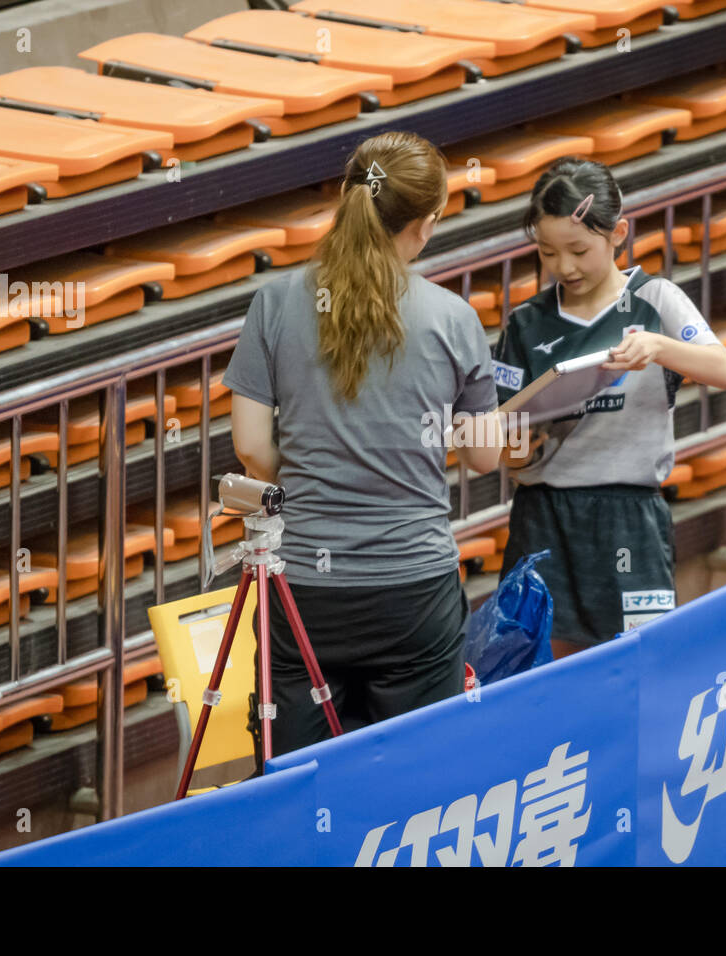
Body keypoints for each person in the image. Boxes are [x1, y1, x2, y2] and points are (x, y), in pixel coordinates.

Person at [222, 131, 504, 761]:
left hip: (304, 594)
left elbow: (252, 450)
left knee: (298, 779)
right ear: (427, 225)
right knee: (415, 779)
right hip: (414, 590)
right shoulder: (454, 317)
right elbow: (485, 456)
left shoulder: (274, 304)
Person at [493, 157, 726, 659]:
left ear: (618, 234)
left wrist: (659, 347)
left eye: (579, 250)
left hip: (630, 515)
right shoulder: (525, 323)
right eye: (548, 253)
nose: (565, 267)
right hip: (543, 516)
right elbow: (506, 442)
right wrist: (521, 438)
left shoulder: (656, 299)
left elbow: (724, 370)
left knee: (638, 660)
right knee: (537, 661)